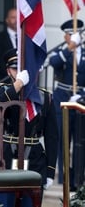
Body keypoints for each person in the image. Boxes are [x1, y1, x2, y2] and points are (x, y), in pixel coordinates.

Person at [0, 48, 57, 207]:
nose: (19, 72)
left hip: (34, 159)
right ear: (8, 70)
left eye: (25, 70)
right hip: (6, 158)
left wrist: (50, 171)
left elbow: (52, 136)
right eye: (15, 68)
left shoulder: (44, 97)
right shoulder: (2, 90)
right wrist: (17, 86)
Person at [47, 19, 85, 189]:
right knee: (63, 139)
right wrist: (70, 48)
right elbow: (54, 63)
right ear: (66, 36)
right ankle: (64, 176)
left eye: (77, 35)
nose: (75, 37)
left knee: (80, 140)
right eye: (71, 35)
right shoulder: (61, 52)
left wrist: (81, 94)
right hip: (62, 98)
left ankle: (78, 175)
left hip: (80, 99)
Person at [0, 8, 18, 83]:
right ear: (7, 20)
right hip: (4, 81)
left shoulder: (24, 39)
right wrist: (13, 74)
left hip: (22, 82)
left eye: (18, 17)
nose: (16, 20)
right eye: (13, 17)